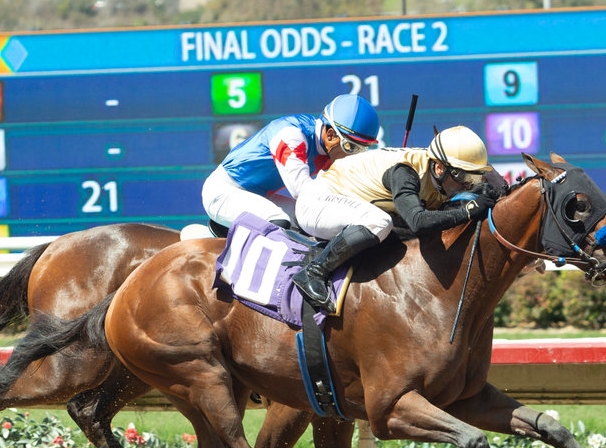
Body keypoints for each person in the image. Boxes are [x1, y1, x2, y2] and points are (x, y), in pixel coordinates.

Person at [291, 125, 498, 311]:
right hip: (317, 202)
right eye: (463, 177)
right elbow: (418, 222)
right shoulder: (405, 172)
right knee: (380, 222)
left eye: (474, 177)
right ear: (439, 168)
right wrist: (468, 210)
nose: (468, 185)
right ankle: (314, 273)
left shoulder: (439, 174)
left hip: (344, 206)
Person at [201, 94, 380, 234]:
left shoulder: (330, 147)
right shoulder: (290, 135)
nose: (353, 156)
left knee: (315, 226)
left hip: (260, 196)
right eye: (350, 147)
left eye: (360, 150)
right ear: (331, 134)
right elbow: (302, 193)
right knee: (279, 221)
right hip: (223, 192)